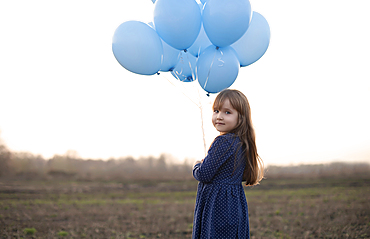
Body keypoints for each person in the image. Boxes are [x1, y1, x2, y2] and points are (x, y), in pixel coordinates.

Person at [192, 89, 264, 239]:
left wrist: (197, 165)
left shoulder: (223, 141)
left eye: (227, 112)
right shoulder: (242, 142)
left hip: (217, 205)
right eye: (216, 110)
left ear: (241, 118)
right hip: (234, 203)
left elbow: (204, 174)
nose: (219, 116)